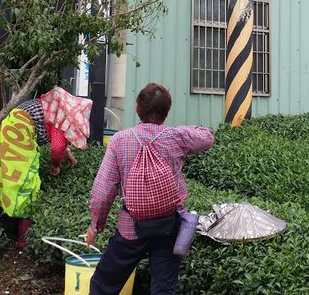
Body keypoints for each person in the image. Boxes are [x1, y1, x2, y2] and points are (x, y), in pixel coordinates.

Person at [86, 83, 214, 295]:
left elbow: (102, 193)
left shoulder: (119, 140)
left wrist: (95, 226)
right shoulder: (176, 137)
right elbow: (207, 137)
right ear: (166, 112)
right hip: (168, 228)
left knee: (103, 285)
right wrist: (187, 129)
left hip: (130, 229)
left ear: (138, 108)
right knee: (163, 289)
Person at [0, 87, 91, 247]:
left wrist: (68, 153)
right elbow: (57, 148)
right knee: (26, 184)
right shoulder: (60, 119)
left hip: (9, 126)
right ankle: (23, 239)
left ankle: (3, 225)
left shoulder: (55, 110)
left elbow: (59, 137)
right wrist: (55, 166)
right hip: (19, 131)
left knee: (5, 175)